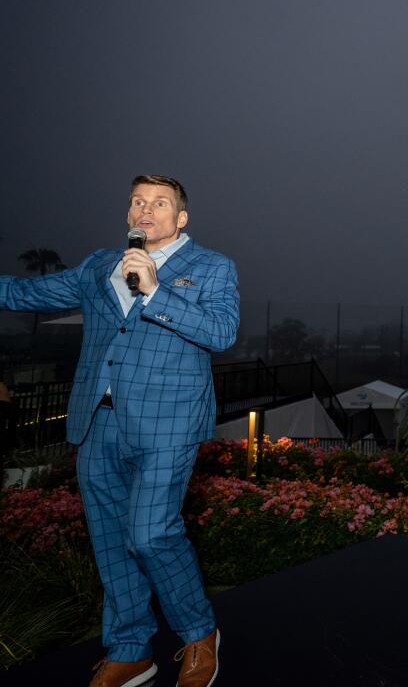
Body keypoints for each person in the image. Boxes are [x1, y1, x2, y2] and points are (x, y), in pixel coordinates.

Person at [0, 175, 239, 687]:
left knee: (151, 533)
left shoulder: (212, 267)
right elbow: (27, 293)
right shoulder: (98, 266)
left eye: (159, 203)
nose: (144, 210)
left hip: (168, 424)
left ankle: (199, 634)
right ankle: (130, 649)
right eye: (137, 202)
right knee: (110, 540)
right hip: (98, 421)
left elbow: (222, 331)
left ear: (182, 218)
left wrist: (154, 290)